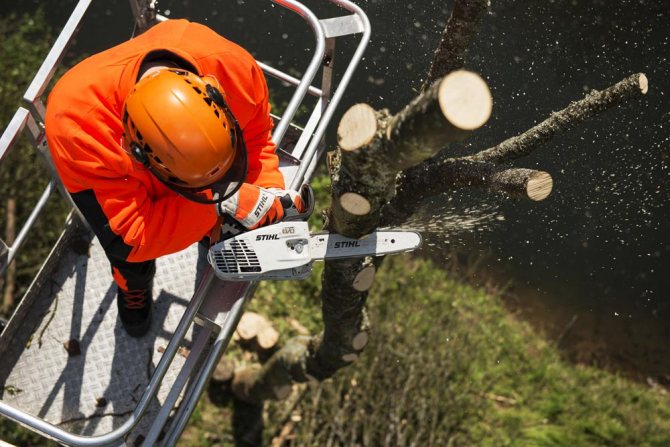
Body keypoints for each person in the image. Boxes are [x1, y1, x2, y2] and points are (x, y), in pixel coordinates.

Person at [44, 19, 304, 337]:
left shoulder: (232, 67)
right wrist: (224, 203)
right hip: (131, 191)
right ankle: (134, 289)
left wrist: (266, 191)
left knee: (219, 218)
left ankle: (210, 232)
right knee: (130, 262)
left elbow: (256, 138)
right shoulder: (77, 124)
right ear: (134, 151)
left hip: (187, 181)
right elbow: (129, 236)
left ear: (217, 94)